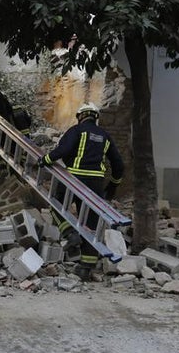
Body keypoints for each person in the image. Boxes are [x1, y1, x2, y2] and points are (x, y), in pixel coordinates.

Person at [37, 103, 125, 279]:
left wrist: (45, 159)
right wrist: (112, 186)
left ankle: (70, 233)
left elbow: (64, 149)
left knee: (56, 204)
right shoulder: (105, 136)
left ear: (80, 116)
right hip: (96, 183)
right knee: (91, 225)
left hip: (74, 179)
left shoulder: (76, 130)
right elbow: (118, 164)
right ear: (95, 117)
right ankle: (86, 268)